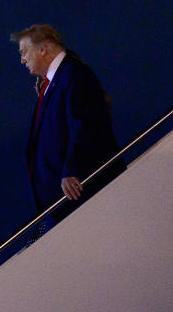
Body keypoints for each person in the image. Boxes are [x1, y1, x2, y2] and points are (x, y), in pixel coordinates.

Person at [11, 24, 125, 235]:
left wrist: (73, 169)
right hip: (60, 204)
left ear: (43, 49)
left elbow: (84, 123)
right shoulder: (55, 83)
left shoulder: (72, 74)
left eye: (24, 52)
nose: (22, 60)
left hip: (77, 195)